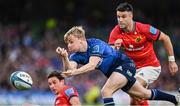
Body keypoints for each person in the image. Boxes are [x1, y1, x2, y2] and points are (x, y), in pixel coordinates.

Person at [56, 26, 179, 106]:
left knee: (106, 91)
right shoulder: (75, 56)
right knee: (143, 94)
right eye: (68, 43)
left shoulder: (95, 44)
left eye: (71, 42)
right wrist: (65, 57)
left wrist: (73, 72)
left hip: (125, 65)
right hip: (115, 72)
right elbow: (70, 70)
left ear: (81, 40)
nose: (69, 46)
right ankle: (175, 99)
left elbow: (92, 65)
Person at [108, 2, 179, 106]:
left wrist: (172, 61)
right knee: (134, 99)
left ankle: (173, 98)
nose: (120, 20)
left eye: (123, 16)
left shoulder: (144, 29)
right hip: (132, 68)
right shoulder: (116, 32)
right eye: (118, 17)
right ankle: (174, 99)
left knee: (135, 88)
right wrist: (115, 47)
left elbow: (166, 38)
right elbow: (110, 52)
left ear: (131, 16)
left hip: (150, 66)